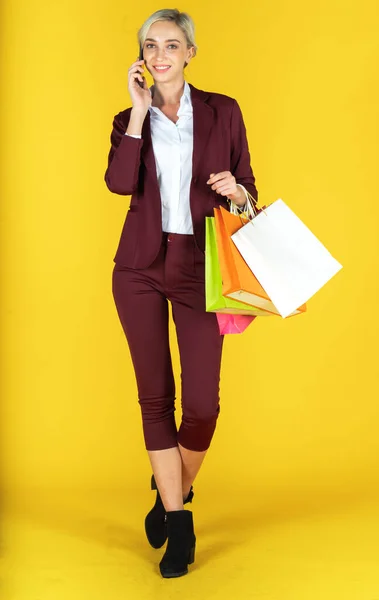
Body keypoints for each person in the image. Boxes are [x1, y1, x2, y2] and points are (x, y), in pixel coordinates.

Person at [104, 8, 258, 578]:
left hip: (199, 264)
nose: (160, 54)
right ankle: (179, 523)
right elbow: (120, 183)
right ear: (142, 56)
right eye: (151, 45)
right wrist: (141, 114)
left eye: (172, 44)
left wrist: (236, 188)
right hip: (140, 268)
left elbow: (248, 189)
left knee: (202, 405)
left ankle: (170, 489)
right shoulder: (128, 117)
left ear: (190, 52)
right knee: (154, 398)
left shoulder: (223, 112)